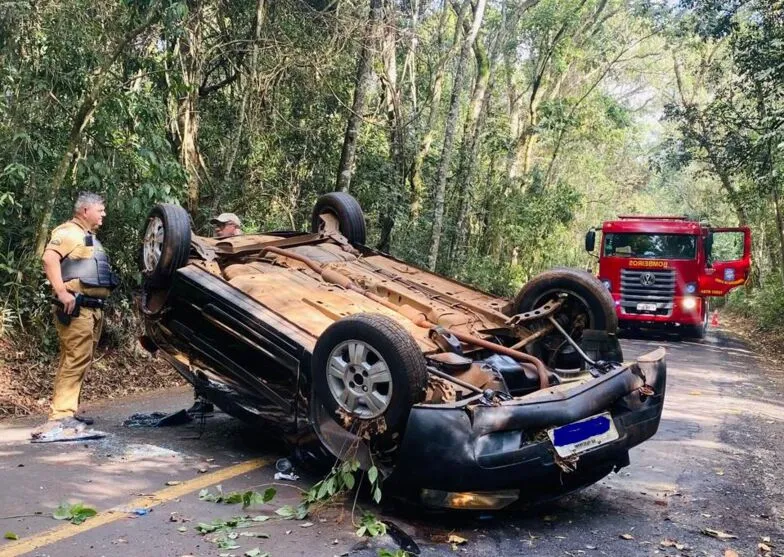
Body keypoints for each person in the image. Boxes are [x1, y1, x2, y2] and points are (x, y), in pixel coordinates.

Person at [33, 192, 119, 439]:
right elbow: (49, 258)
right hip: (77, 308)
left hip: (92, 309)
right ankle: (60, 417)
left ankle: (67, 411)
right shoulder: (69, 232)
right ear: (85, 211)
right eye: (100, 210)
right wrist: (62, 292)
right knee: (75, 358)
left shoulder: (88, 237)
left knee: (79, 359)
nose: (103, 215)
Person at [186, 211, 244, 415]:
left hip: (239, 312)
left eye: (222, 225)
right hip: (212, 309)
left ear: (234, 226)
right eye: (216, 225)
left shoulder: (249, 247)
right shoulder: (210, 249)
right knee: (201, 354)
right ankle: (203, 399)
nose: (217, 229)